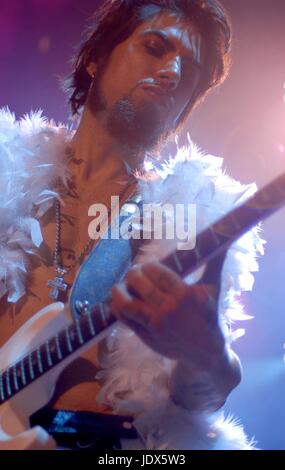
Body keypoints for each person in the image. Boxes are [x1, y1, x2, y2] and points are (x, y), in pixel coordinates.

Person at [0, 0, 264, 450]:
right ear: (94, 57)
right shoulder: (5, 168)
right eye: (155, 46)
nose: (173, 73)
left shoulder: (191, 224)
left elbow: (203, 397)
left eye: (191, 71)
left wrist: (206, 352)